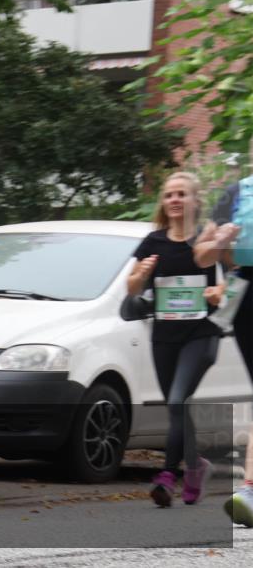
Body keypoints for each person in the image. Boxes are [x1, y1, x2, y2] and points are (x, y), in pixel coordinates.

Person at [127, 171, 225, 508]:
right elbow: (133, 287)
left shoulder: (208, 239)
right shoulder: (152, 242)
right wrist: (138, 278)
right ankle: (196, 466)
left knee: (177, 400)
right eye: (169, 194)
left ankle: (168, 476)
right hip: (164, 336)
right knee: (176, 407)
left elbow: (239, 279)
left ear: (195, 201)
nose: (174, 200)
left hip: (202, 333)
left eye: (182, 194)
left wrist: (218, 292)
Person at [194, 161, 253, 527]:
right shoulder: (236, 193)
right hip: (247, 297)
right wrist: (221, 242)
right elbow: (202, 255)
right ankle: (249, 489)